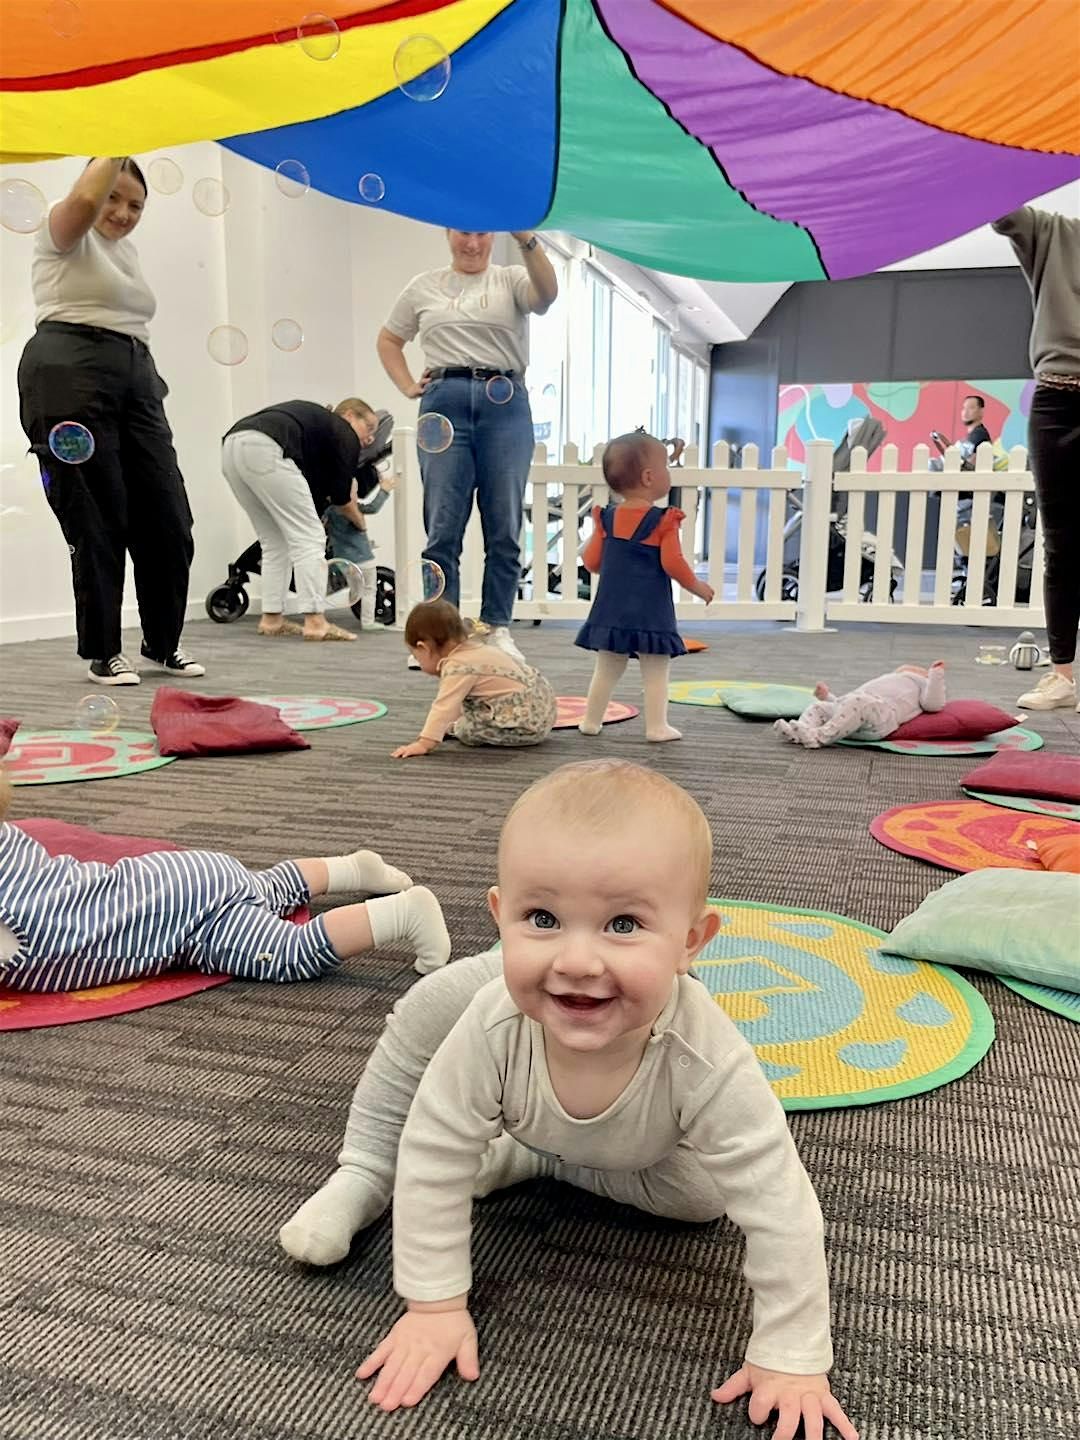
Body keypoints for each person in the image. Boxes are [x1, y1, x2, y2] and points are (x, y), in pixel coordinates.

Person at [279, 760, 857, 1439]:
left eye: (623, 924)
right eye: (543, 917)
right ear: (500, 917)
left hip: (648, 1148)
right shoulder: (494, 1021)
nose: (578, 960)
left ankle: (541, 1160)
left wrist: (791, 1357)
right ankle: (379, 1172)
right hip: (505, 1076)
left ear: (690, 943)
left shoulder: (707, 1055)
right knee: (434, 1031)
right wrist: (434, 1306)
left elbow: (779, 1204)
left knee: (704, 1201)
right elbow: (435, 1154)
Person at [0, 763, 450, 991]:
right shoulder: (11, 842)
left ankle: (403, 914)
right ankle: (352, 867)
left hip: (182, 925)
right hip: (171, 874)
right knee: (269, 887)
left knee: (289, 953)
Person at [16, 157, 204, 687]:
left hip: (135, 372)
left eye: (136, 205)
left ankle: (162, 642)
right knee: (97, 515)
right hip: (68, 368)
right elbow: (80, 202)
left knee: (169, 515)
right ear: (94, 191)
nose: (122, 213)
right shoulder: (64, 230)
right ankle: (103, 651)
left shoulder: (127, 253)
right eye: (113, 198)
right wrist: (118, 130)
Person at [376, 230, 559, 664]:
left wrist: (528, 238)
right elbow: (389, 340)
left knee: (504, 526)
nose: (472, 243)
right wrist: (406, 385)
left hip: (506, 402)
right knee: (442, 529)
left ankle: (496, 628)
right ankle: (440, 635)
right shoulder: (423, 285)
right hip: (444, 399)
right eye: (463, 233)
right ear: (447, 233)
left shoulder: (512, 279)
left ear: (493, 235)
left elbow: (547, 295)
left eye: (481, 233)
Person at [992, 207, 1080, 711]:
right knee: (1061, 544)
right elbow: (1001, 208)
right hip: (1056, 399)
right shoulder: (1052, 233)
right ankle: (1062, 675)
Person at [575, 431, 714, 742]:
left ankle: (590, 720)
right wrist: (698, 587)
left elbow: (593, 563)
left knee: (607, 668)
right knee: (655, 670)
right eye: (666, 466)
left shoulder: (607, 518)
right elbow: (673, 563)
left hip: (612, 609)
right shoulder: (663, 520)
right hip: (650, 610)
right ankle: (656, 727)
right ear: (650, 477)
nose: (669, 473)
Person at [221, 397, 378, 642]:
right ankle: (316, 622)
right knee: (311, 537)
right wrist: (361, 521)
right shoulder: (343, 432)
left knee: (274, 541)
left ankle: (271, 619)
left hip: (232, 446)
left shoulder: (321, 428)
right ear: (348, 416)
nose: (370, 439)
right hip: (267, 447)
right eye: (368, 428)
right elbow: (341, 498)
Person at [390, 599, 555, 757]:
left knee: (466, 729)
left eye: (416, 656)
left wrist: (424, 743)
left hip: (523, 726)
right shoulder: (476, 648)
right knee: (468, 711)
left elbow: (444, 706)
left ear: (424, 648)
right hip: (543, 713)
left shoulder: (458, 666)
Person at [774, 662, 946, 748]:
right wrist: (828, 697)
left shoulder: (922, 685)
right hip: (856, 715)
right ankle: (799, 731)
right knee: (818, 707)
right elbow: (846, 708)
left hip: (882, 717)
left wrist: (935, 676)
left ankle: (818, 736)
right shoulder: (882, 681)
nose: (907, 670)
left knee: (859, 702)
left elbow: (934, 704)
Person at [323, 471, 395, 629]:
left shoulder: (330, 511)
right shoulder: (353, 510)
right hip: (363, 558)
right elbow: (373, 507)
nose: (356, 496)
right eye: (354, 492)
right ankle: (368, 622)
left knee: (356, 589)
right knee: (370, 589)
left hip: (343, 560)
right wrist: (384, 489)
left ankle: (356, 607)